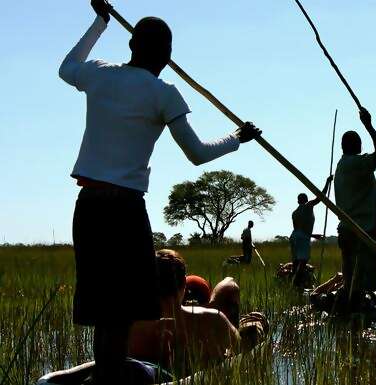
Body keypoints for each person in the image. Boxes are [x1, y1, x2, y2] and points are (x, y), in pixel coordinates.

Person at [59, 1, 260, 383]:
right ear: (167, 57)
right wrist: (237, 138)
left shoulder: (101, 74)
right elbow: (198, 154)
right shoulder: (164, 93)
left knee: (105, 313)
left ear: (132, 45)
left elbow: (66, 67)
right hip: (125, 208)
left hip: (88, 206)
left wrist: (100, 22)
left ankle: (107, 376)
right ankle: (113, 379)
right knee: (122, 313)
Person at [128, 250, 268, 376]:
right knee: (256, 321)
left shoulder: (129, 330)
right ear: (184, 283)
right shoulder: (212, 319)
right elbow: (240, 350)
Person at [333, 107, 376, 312]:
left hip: (348, 230)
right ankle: (355, 317)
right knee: (361, 283)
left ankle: (349, 318)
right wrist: (369, 125)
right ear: (357, 146)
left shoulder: (344, 166)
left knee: (352, 282)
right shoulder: (356, 162)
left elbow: (366, 194)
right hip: (362, 231)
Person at [289, 176, 333, 286]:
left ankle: (293, 282)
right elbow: (320, 197)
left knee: (295, 262)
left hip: (294, 236)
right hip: (303, 237)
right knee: (303, 262)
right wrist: (327, 183)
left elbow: (298, 230)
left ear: (298, 201)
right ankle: (297, 283)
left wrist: (314, 236)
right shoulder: (308, 206)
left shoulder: (294, 212)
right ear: (306, 200)